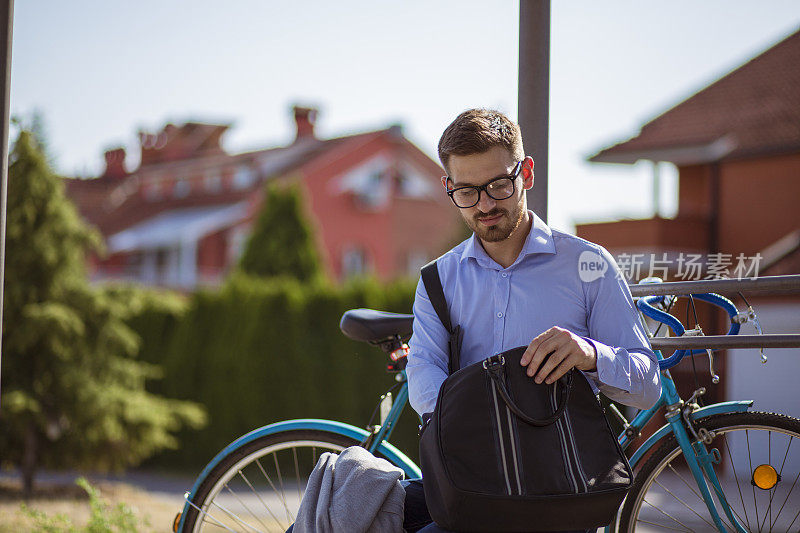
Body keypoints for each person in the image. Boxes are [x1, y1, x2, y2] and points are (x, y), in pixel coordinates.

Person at [403, 109, 662, 533]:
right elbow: (423, 371)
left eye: (498, 185)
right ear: (450, 187)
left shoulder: (589, 265)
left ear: (526, 172)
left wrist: (590, 354)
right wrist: (472, 429)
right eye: (467, 191)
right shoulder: (437, 280)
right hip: (474, 489)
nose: (485, 204)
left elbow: (648, 385)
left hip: (558, 491)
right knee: (352, 505)